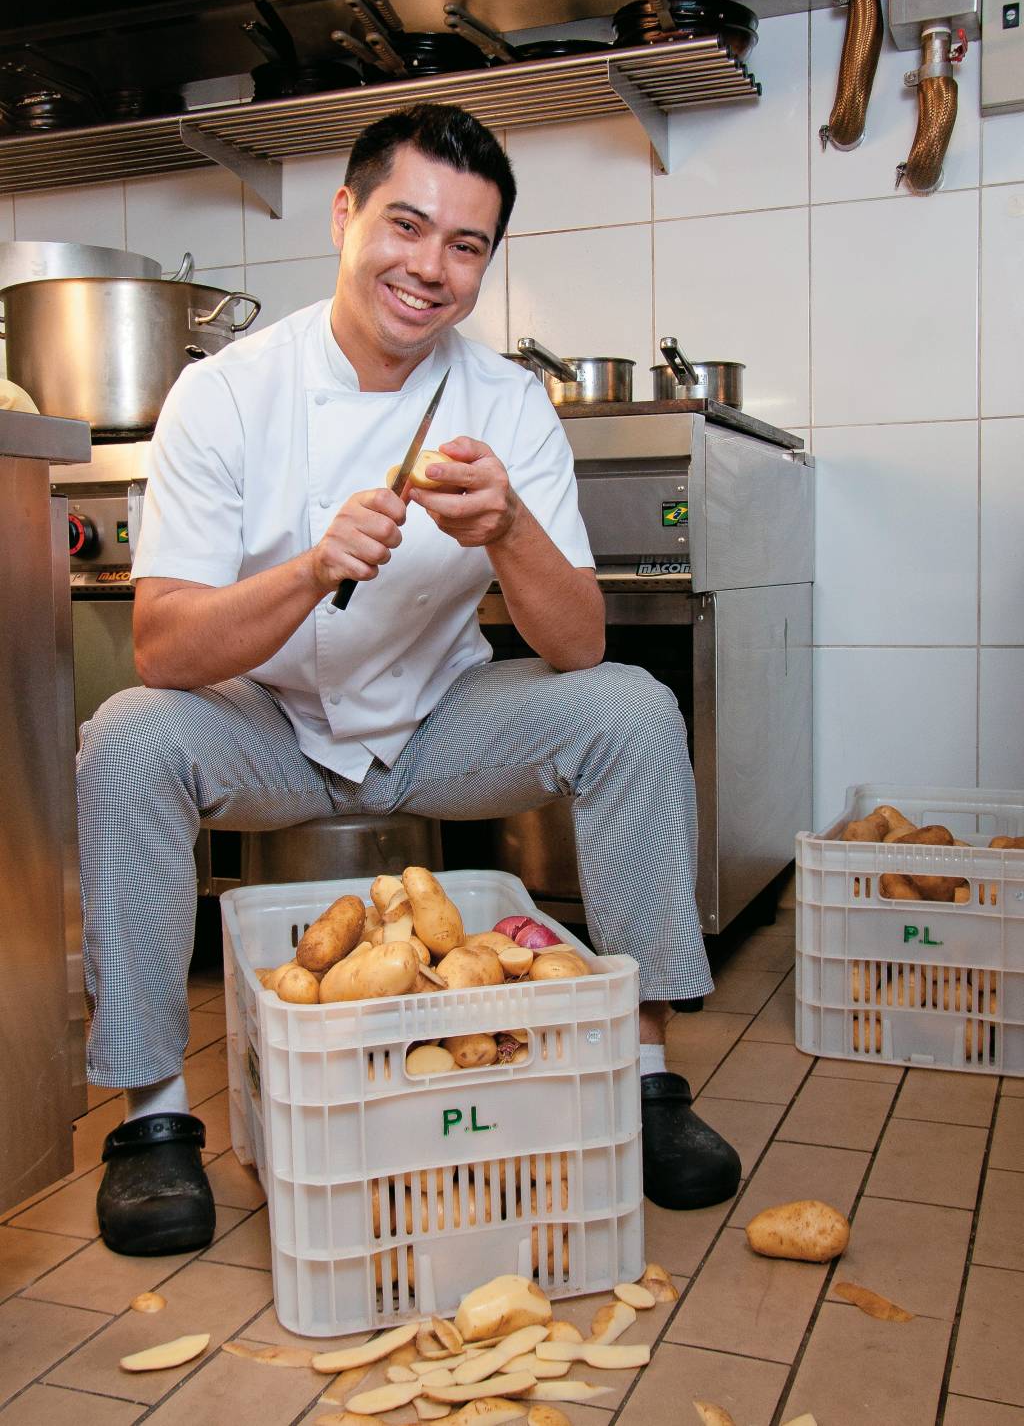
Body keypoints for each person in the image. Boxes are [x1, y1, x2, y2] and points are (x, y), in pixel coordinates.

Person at [79, 102, 740, 1257]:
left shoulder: (506, 403)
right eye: (407, 225)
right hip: (267, 724)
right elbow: (163, 647)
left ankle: (643, 1074)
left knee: (634, 706)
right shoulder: (228, 393)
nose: (430, 269)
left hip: (444, 718)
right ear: (345, 216)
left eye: (466, 246)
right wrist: (310, 568)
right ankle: (152, 1121)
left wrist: (512, 530)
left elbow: (581, 642)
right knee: (129, 732)